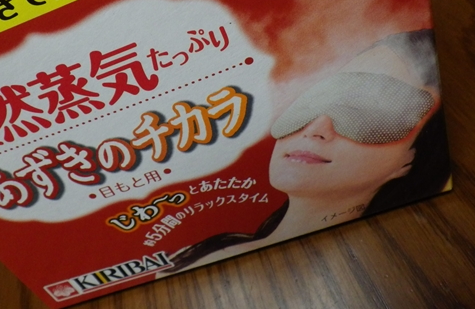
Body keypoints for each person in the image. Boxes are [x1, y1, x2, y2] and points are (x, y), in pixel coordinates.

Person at [165, 29, 451, 272]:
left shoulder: (382, 269)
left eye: (367, 111)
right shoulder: (191, 258)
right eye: (320, 97)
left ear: (413, 158)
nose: (317, 127)